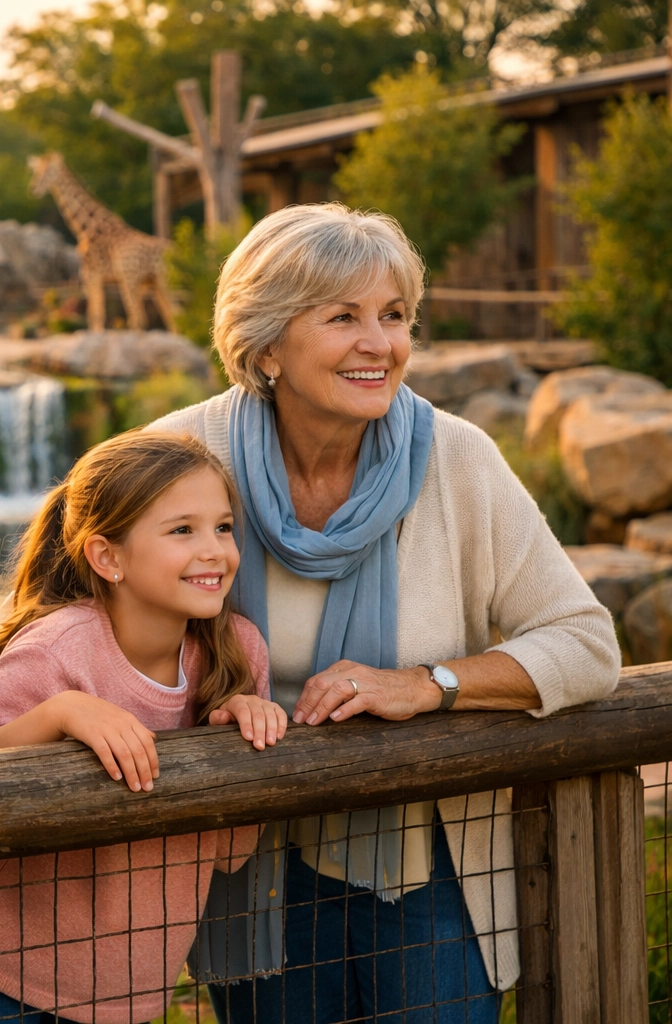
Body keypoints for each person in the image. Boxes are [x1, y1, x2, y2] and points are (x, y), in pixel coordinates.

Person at [152, 203, 620, 1023]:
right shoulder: (176, 459)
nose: (381, 343)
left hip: (430, 863)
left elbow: (586, 644)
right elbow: (64, 633)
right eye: (344, 318)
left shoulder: (457, 458)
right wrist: (197, 701)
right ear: (266, 345)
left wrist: (429, 684)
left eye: (395, 316)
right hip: (249, 864)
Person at [0, 430, 285, 1024]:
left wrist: (244, 746)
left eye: (223, 527)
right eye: (183, 530)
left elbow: (231, 854)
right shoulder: (56, 652)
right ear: (108, 557)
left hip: (123, 990)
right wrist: (59, 714)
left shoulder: (240, 652)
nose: (215, 551)